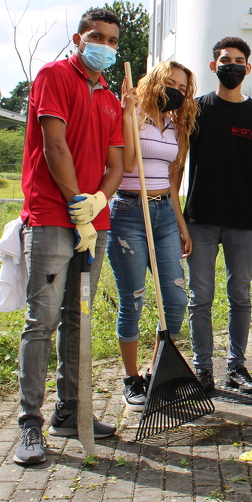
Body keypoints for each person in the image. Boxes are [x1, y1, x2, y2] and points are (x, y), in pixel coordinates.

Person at [13, 8, 125, 466]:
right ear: (79, 38)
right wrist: (75, 204)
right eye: (97, 36)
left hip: (92, 223)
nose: (105, 44)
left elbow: (117, 165)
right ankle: (29, 424)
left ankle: (70, 412)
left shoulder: (112, 99)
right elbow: (54, 144)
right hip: (50, 216)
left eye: (113, 40)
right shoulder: (54, 76)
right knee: (43, 319)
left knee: (79, 318)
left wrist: (98, 203)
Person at [185, 37, 252, 394]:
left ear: (248, 68)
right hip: (200, 218)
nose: (232, 66)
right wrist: (179, 219)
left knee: (241, 295)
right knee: (201, 296)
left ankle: (236, 368)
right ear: (213, 66)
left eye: (239, 60)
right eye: (225, 60)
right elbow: (178, 161)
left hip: (243, 221)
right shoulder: (195, 110)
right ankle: (203, 369)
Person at [108, 61, 196, 412]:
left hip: (163, 213)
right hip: (129, 211)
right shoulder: (131, 113)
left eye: (183, 86)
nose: (176, 89)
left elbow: (173, 180)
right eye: (170, 82)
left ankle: (155, 369)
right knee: (133, 299)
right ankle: (131, 378)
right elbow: (128, 165)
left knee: (174, 300)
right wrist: (129, 116)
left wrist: (181, 223)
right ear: (155, 82)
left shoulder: (177, 124)